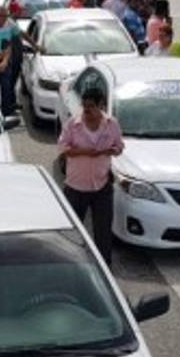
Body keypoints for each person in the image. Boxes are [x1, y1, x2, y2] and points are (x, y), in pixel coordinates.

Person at [57, 89, 123, 263]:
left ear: (101, 106)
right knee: (72, 231)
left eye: (91, 106)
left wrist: (111, 150)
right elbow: (62, 149)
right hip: (75, 187)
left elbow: (119, 147)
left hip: (102, 186)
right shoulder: (73, 124)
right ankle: (71, 264)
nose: (86, 110)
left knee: (103, 232)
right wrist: (85, 152)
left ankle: (104, 267)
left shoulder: (112, 124)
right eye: (84, 105)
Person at [0, 6, 38, 117]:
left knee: (6, 84)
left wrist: (35, 45)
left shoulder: (10, 24)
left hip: (5, 55)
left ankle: (6, 110)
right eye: (0, 16)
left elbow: (22, 34)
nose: (3, 19)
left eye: (5, 17)